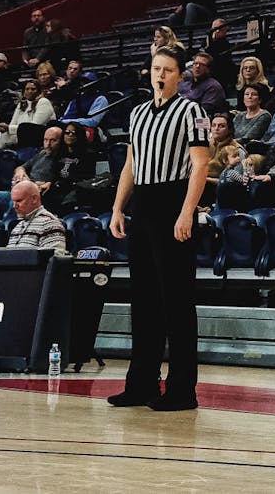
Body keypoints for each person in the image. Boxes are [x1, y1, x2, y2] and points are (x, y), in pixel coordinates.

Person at [107, 46, 211, 411]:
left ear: (180, 75)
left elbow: (200, 165)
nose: (160, 74)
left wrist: (187, 212)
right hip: (144, 205)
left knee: (177, 301)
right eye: (156, 68)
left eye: (168, 69)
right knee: (144, 300)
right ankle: (140, 385)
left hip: (173, 201)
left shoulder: (192, 111)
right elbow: (130, 164)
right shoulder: (137, 114)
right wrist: (119, 207)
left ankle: (183, 390)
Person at [0, 126, 65, 222]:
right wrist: (21, 172)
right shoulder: (42, 154)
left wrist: (30, 185)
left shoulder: (62, 160)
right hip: (19, 190)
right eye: (45, 140)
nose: (48, 144)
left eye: (53, 141)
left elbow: (58, 181)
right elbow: (21, 167)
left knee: (17, 200)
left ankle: (9, 229)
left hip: (34, 196)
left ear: (61, 141)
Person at [5, 180, 69, 254]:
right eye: (13, 201)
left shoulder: (50, 224)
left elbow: (55, 259)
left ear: (34, 199)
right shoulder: (17, 227)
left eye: (19, 201)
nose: (14, 206)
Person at [0, 80, 57, 149]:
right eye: (27, 89)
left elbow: (33, 128)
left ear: (39, 91)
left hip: (36, 138)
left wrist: (9, 128)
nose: (30, 91)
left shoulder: (43, 102)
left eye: (33, 89)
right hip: (20, 135)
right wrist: (5, 128)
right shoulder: (22, 104)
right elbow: (13, 123)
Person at [177, 52, 227, 116]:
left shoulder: (213, 87)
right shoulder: (184, 83)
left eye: (202, 65)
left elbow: (203, 111)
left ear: (208, 69)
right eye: (195, 63)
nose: (197, 66)